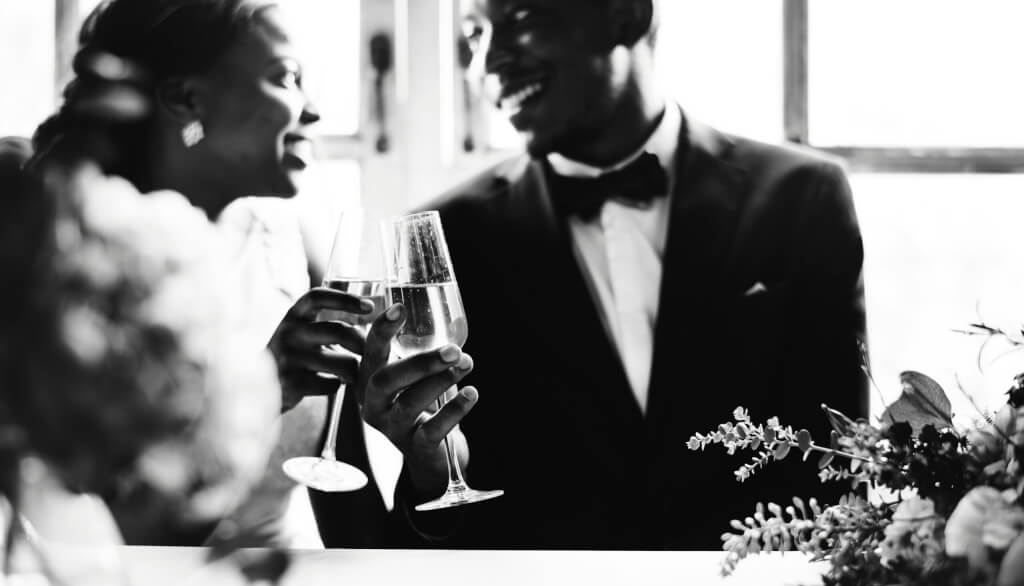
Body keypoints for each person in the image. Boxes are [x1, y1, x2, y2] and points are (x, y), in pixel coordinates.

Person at [312, 0, 869, 549]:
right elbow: (450, 538)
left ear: (626, 14)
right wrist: (434, 468)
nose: (488, 63)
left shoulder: (802, 198)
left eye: (519, 18)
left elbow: (839, 472)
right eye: (474, 36)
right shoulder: (447, 237)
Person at [25, 0, 378, 545]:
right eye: (285, 78)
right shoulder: (71, 254)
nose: (314, 111)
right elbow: (78, 517)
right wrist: (265, 386)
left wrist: (409, 438)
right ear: (186, 98)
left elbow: (353, 505)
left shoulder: (290, 240)